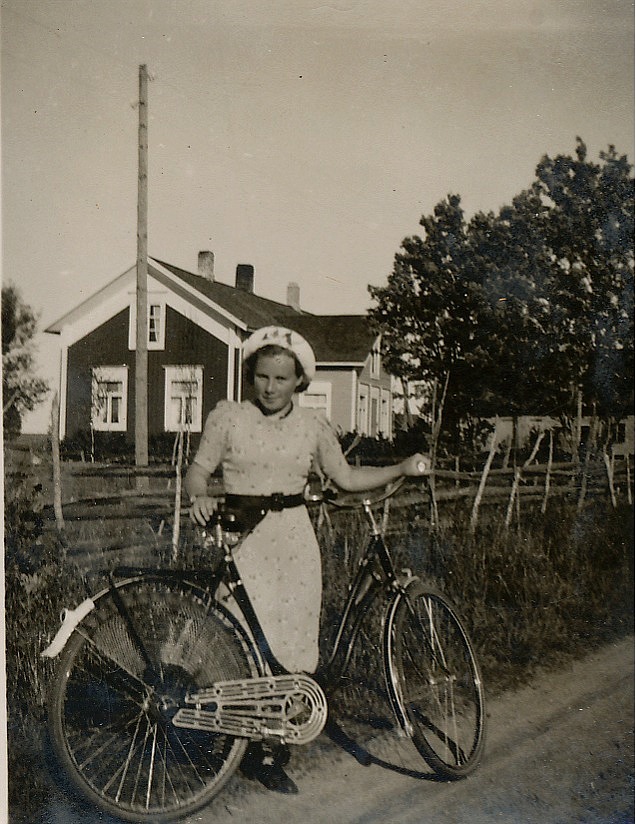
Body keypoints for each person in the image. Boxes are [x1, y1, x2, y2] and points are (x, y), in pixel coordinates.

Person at [185, 325, 429, 794]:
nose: (270, 388)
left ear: (299, 380)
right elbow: (198, 470)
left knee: (291, 642)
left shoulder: (312, 426)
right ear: (251, 376)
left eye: (281, 378)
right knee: (234, 635)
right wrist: (198, 495)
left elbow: (346, 476)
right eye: (261, 377)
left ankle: (270, 750)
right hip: (242, 536)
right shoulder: (229, 418)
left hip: (293, 538)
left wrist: (400, 467)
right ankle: (217, 740)